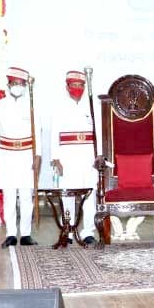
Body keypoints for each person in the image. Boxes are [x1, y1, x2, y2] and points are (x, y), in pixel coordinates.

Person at [0, 67, 39, 248]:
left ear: (26, 86)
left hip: (26, 155)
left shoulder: (32, 105)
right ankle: (11, 234)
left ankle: (26, 234)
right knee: (9, 197)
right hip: (6, 156)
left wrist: (38, 155)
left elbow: (37, 134)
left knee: (26, 196)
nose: (18, 87)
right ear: (8, 84)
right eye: (15, 83)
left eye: (21, 84)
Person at [49, 70, 97, 246]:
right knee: (67, 194)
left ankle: (88, 232)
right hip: (67, 158)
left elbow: (96, 135)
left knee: (90, 194)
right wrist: (56, 159)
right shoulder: (60, 108)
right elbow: (54, 135)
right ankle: (67, 231)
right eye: (74, 85)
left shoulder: (90, 107)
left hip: (87, 158)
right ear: (67, 87)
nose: (78, 88)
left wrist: (97, 157)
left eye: (81, 85)